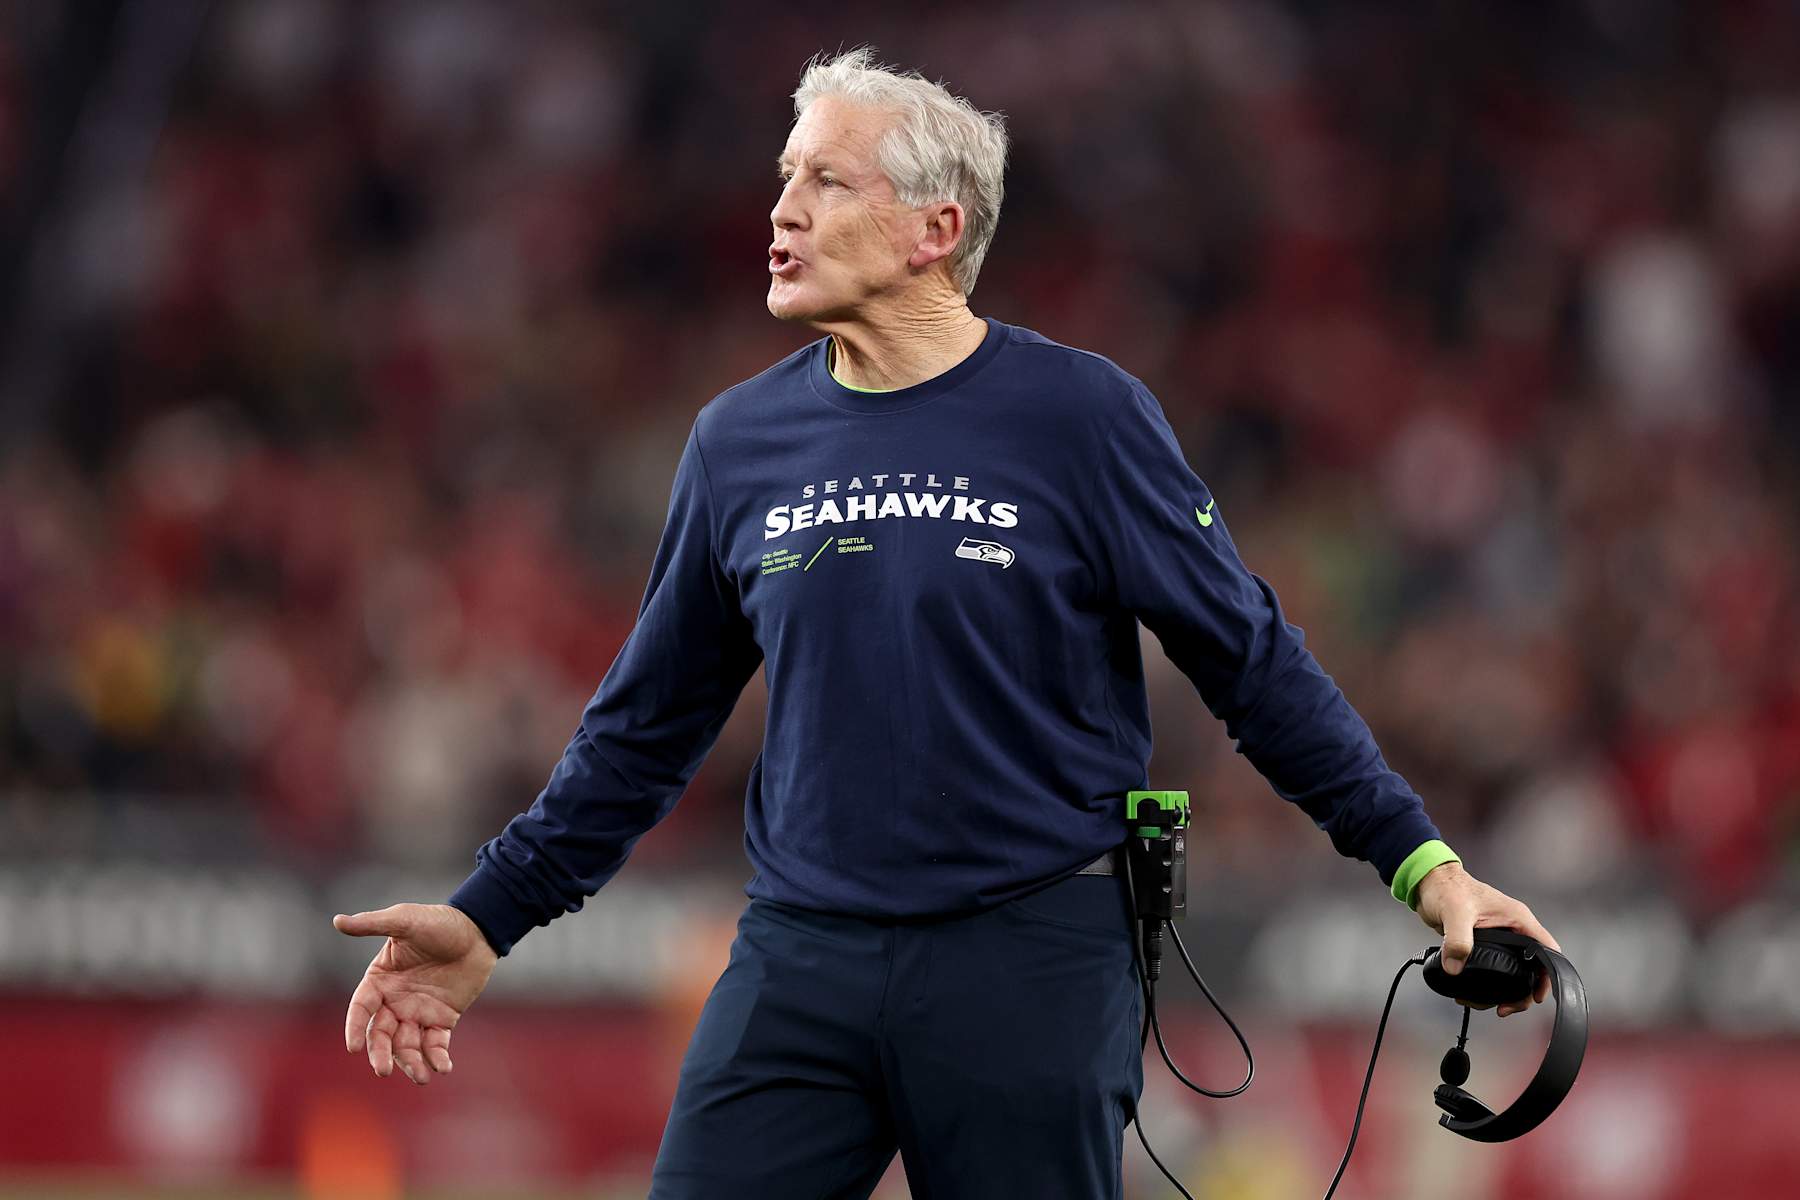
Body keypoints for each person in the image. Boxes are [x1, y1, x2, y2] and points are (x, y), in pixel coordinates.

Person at [334, 47, 1561, 1198]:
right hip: (799, 957)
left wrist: (1426, 867)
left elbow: (1251, 661)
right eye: (783, 177)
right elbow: (641, 731)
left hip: (1029, 953)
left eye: (826, 179)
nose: (783, 210)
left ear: (937, 230)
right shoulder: (736, 444)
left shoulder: (1080, 417)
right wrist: (491, 914)